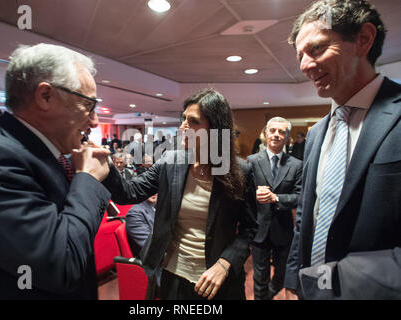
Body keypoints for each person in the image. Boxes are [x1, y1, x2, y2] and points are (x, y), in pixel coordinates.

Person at [0, 43, 112, 299]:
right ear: (45, 96)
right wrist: (88, 178)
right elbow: (62, 263)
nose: (94, 121)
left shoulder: (41, 153)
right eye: (88, 105)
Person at [284, 0, 401, 300]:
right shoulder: (316, 133)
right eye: (300, 56)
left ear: (363, 39)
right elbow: (306, 217)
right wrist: (294, 281)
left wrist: (346, 283)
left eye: (317, 49)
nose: (304, 66)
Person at [102, 89, 258, 300]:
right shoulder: (171, 162)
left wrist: (225, 263)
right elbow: (128, 193)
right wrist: (105, 162)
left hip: (217, 281)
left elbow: (250, 229)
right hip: (173, 276)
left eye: (193, 122)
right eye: (183, 119)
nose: (183, 127)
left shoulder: (240, 172)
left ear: (215, 129)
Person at [246, 117, 302, 300]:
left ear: (287, 137)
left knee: (281, 277)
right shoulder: (252, 161)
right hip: (259, 229)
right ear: (266, 134)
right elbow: (242, 193)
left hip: (283, 230)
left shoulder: (296, 165)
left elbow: (299, 197)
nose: (276, 135)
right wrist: (253, 194)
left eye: (281, 132)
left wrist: (276, 198)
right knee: (259, 278)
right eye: (273, 131)